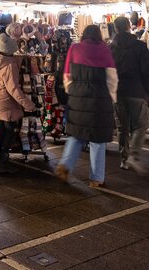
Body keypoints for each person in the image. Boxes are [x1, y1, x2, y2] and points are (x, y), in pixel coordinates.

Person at [55, 24, 118, 188]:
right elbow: (112, 77)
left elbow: (67, 75)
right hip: (100, 98)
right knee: (97, 140)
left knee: (76, 134)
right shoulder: (105, 49)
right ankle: (96, 178)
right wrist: (112, 97)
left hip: (77, 96)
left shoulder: (75, 48)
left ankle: (65, 166)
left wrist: (72, 91)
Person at [110, 16, 149, 172]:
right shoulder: (139, 46)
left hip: (118, 91)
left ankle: (124, 159)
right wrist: (148, 90)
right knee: (141, 125)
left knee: (122, 127)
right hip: (136, 90)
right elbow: (146, 71)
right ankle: (133, 155)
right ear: (129, 26)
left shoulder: (111, 47)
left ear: (115, 28)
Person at [0, 32, 36, 174]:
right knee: (8, 135)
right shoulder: (10, 65)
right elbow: (14, 89)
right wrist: (29, 105)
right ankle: (2, 164)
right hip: (8, 105)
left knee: (1, 134)